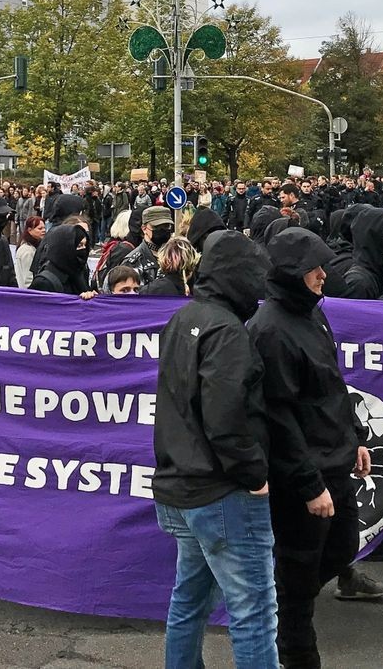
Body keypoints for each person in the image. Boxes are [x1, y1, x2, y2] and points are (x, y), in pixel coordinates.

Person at [152, 230, 277, 669]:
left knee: (189, 599)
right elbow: (226, 419)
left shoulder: (185, 317)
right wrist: (255, 476)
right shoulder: (227, 332)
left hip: (181, 485)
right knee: (254, 611)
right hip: (222, 491)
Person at [247, 227, 371, 666]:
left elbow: (331, 385)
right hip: (305, 477)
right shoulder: (271, 330)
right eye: (312, 269)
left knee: (343, 547)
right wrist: (307, 484)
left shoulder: (312, 313)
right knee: (298, 576)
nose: (323, 275)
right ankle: (292, 644)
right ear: (290, 275)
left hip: (334, 460)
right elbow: (278, 418)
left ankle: (281, 608)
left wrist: (355, 435)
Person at [29, 224, 90, 295]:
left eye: (85, 245)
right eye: (79, 245)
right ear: (65, 247)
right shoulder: (44, 282)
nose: (84, 250)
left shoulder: (79, 273)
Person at [121, 206, 173, 286]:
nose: (162, 230)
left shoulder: (176, 256)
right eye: (156, 227)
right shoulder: (133, 262)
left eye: (166, 226)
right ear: (144, 228)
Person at [15, 216, 45, 288]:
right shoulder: (27, 251)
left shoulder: (33, 247)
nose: (44, 230)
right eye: (40, 228)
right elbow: (28, 278)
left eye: (44, 228)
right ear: (29, 230)